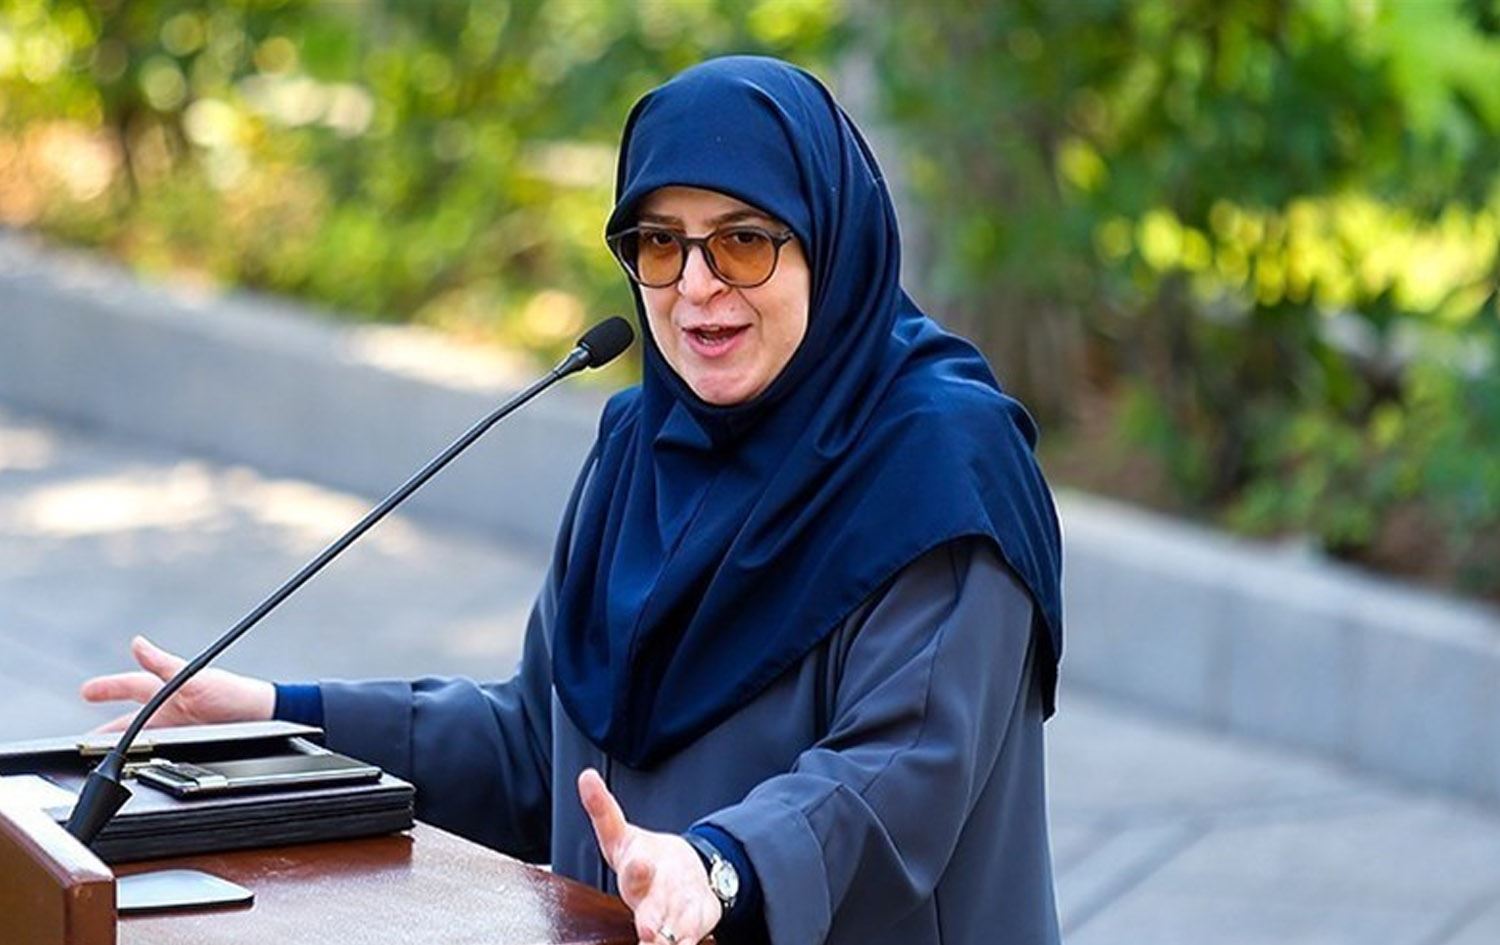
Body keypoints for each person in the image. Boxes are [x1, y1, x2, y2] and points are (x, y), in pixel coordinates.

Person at [82, 56, 1065, 945]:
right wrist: (280, 719)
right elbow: (535, 749)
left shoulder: (941, 464)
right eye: (659, 243)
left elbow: (899, 773)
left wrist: (718, 866)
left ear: (830, 243)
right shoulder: (641, 448)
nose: (695, 286)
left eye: (744, 241)